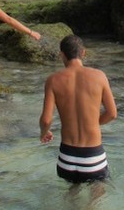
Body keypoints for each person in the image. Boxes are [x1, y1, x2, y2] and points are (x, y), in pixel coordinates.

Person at [39, 35, 117, 184]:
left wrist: (44, 133)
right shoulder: (99, 76)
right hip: (93, 158)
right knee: (95, 201)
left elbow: (46, 119)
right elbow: (112, 113)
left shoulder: (53, 80)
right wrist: (95, 123)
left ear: (62, 54)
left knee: (71, 197)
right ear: (83, 53)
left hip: (67, 158)